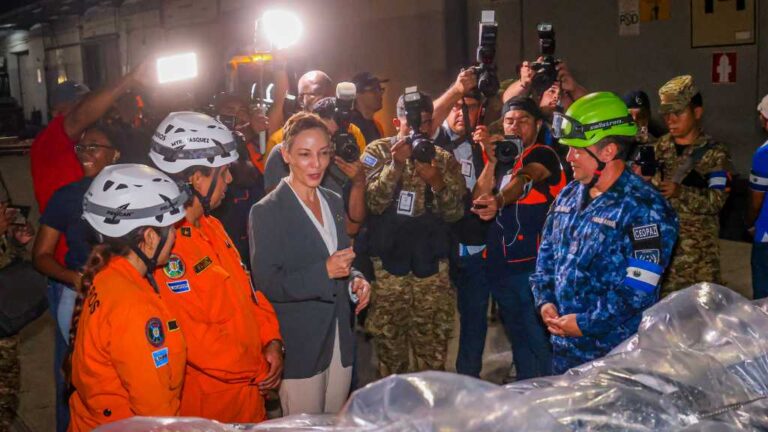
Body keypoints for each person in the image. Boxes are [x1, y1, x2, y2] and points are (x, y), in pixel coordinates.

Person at [29, 66, 150, 432]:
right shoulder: (54, 144)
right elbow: (41, 254)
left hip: (115, 289)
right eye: (82, 107)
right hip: (73, 285)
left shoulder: (119, 182)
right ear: (61, 112)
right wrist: (128, 79)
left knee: (114, 372)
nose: (90, 115)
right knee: (75, 374)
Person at [149, 111, 284, 423]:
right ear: (197, 178)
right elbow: (198, 341)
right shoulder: (168, 251)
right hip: (210, 409)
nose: (230, 180)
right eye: (223, 172)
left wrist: (272, 341)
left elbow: (249, 295)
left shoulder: (212, 227)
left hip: (247, 398)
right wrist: (260, 368)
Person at [532, 92, 678, 374]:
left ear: (608, 151)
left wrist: (585, 323)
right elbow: (547, 254)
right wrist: (545, 300)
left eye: (577, 149)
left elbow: (640, 287)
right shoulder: (569, 195)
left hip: (615, 358)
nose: (569, 157)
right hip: (564, 352)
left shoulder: (646, 208)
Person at [249, 112, 371, 415]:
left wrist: (356, 280)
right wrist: (324, 272)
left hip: (340, 341)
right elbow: (266, 284)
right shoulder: (267, 211)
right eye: (305, 154)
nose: (316, 164)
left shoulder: (333, 200)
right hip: (301, 346)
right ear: (286, 154)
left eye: (323, 153)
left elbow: (342, 258)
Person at [67, 164, 189, 431]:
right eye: (171, 228)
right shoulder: (135, 306)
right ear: (150, 237)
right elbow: (155, 411)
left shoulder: (107, 275)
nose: (176, 235)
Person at [361, 90, 465, 377]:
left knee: (432, 358)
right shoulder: (377, 153)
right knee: (390, 357)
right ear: (397, 122)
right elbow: (372, 204)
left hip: (431, 273)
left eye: (426, 123)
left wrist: (437, 182)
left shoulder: (442, 159)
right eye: (413, 123)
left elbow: (455, 213)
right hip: (388, 273)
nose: (420, 129)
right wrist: (395, 165)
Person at [31, 123, 122, 430]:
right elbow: (40, 255)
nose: (84, 153)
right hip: (78, 297)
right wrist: (72, 277)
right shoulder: (67, 196)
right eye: (81, 147)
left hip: (124, 296)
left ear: (115, 154)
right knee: (80, 380)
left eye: (94, 147)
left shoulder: (133, 190)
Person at [471, 97, 567, 380]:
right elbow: (478, 199)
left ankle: (553, 395)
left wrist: (500, 200)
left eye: (523, 120)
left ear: (538, 124)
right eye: (509, 121)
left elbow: (526, 177)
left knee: (541, 342)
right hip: (500, 267)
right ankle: (527, 394)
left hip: (533, 270)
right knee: (519, 341)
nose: (515, 127)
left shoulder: (543, 154)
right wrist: (491, 162)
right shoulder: (502, 159)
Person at [652, 75, 732, 297]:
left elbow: (716, 202)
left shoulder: (715, 153)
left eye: (678, 113)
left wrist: (680, 192)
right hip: (663, 258)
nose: (671, 119)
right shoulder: (659, 148)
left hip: (698, 262)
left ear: (697, 112)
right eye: (667, 114)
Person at [264, 97, 367, 235]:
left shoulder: (344, 157)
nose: (329, 141)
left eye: (334, 136)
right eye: (325, 133)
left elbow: (350, 228)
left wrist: (359, 183)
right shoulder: (284, 153)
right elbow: (279, 215)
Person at [210, 92, 269, 265]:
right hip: (225, 237)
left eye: (242, 110)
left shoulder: (259, 145)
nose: (237, 116)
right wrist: (248, 131)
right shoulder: (209, 148)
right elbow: (240, 174)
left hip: (255, 239)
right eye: (230, 110)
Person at [265, 70, 335, 155]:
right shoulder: (280, 140)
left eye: (330, 94)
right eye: (317, 93)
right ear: (301, 100)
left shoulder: (348, 131)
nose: (326, 98)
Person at [747, 94, 768, 299]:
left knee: (763, 302)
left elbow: (757, 199)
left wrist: (751, 222)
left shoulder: (764, 154)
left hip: (766, 236)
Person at [349, 72, 388, 143]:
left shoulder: (377, 126)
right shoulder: (350, 128)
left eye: (380, 89)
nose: (380, 93)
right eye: (374, 90)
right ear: (356, 94)